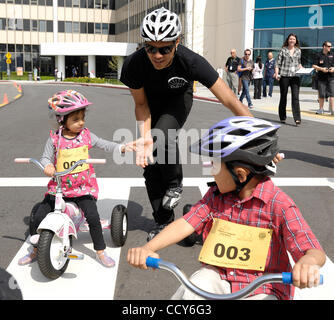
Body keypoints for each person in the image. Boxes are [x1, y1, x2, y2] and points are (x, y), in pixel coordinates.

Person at [127, 116, 326, 300]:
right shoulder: (215, 197)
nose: (211, 172)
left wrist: (308, 263)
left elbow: (312, 249)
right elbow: (185, 224)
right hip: (220, 279)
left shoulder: (279, 205)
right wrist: (148, 248)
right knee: (192, 288)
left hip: (263, 288)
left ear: (240, 174)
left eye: (214, 165)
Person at [120, 7, 253, 242]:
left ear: (177, 42)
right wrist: (143, 139)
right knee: (150, 165)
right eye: (150, 47)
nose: (157, 55)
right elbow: (141, 105)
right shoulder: (134, 64)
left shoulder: (191, 61)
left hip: (177, 101)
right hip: (150, 105)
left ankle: (174, 183)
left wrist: (260, 132)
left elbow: (229, 99)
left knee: (162, 136)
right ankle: (163, 220)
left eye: (165, 48)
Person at [18, 90, 135, 268]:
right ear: (61, 120)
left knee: (93, 217)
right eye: (75, 119)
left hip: (82, 188)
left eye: (82, 118)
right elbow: (45, 158)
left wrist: (122, 147)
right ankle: (36, 250)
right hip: (59, 188)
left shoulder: (86, 135)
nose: (81, 122)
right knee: (38, 216)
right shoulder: (54, 139)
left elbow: (103, 143)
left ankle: (100, 251)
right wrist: (47, 165)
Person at [275, 33, 303, 126]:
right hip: (284, 76)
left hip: (295, 76)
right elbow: (278, 63)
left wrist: (303, 69)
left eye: (293, 39)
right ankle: (282, 117)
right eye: (290, 39)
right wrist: (276, 73)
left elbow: (298, 63)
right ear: (288, 40)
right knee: (283, 96)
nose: (292, 41)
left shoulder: (298, 51)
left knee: (295, 97)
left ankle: (297, 119)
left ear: (296, 41)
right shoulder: (283, 50)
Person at [312, 41, 334, 115]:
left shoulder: (332, 54)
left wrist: (333, 69)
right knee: (321, 94)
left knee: (332, 94)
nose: (330, 47)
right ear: (324, 46)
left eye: (330, 46)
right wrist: (321, 69)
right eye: (328, 46)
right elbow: (314, 66)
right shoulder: (318, 55)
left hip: (331, 78)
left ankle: (333, 110)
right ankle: (321, 109)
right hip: (321, 78)